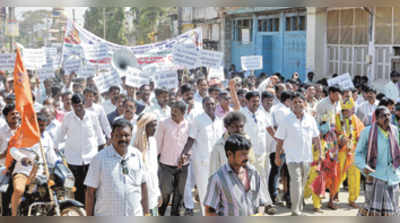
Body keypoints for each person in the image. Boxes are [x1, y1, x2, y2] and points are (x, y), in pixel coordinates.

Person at [84, 118, 149, 216]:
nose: (123, 139)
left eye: (126, 135)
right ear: (111, 136)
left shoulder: (137, 155)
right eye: (118, 135)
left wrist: (146, 214)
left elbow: (143, 186)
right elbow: (90, 192)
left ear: (131, 136)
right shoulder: (99, 158)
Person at [275, 93, 321, 216]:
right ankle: (295, 211)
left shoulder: (310, 119)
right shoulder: (287, 120)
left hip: (306, 157)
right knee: (295, 182)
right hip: (292, 158)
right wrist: (277, 156)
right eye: (295, 102)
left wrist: (320, 153)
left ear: (304, 104)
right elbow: (280, 140)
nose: (297, 104)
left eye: (300, 102)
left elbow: (316, 137)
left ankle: (299, 207)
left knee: (302, 183)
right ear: (291, 105)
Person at [55, 93, 106, 204]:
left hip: (91, 159)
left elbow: (100, 136)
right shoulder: (68, 117)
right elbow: (60, 134)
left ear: (84, 104)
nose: (78, 108)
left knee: (91, 187)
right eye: (75, 106)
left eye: (80, 105)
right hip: (73, 159)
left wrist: (102, 153)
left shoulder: (92, 116)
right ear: (72, 106)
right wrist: (55, 147)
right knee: (77, 188)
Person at [179, 97, 224, 215]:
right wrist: (184, 153)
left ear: (216, 105)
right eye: (207, 104)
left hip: (218, 162)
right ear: (203, 106)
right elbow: (191, 139)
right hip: (202, 161)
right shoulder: (198, 120)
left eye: (212, 104)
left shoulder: (219, 121)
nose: (210, 106)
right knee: (204, 190)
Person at [9, 113, 60, 216]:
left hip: (40, 173)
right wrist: (23, 158)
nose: (42, 128)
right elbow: (13, 150)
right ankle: (14, 215)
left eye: (44, 125)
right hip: (23, 171)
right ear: (34, 124)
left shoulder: (47, 138)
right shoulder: (24, 135)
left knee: (57, 190)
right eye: (40, 125)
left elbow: (52, 157)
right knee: (19, 189)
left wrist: (59, 163)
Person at [204, 134, 267, 216]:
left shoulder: (254, 173)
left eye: (247, 153)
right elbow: (209, 211)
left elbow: (261, 202)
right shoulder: (218, 178)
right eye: (242, 154)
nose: (246, 158)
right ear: (230, 154)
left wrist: (260, 214)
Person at [355, 106, 400, 216]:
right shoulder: (368, 132)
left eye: (389, 115)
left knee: (392, 210)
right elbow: (358, 153)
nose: (387, 118)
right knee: (371, 210)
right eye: (383, 116)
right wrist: (363, 166)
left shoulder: (394, 130)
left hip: (393, 177)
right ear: (377, 118)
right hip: (375, 176)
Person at [156, 101, 190, 216]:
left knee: (179, 194)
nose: (173, 113)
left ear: (183, 113)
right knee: (165, 193)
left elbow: (191, 143)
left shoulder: (189, 124)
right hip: (166, 165)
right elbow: (157, 144)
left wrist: (187, 155)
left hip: (183, 166)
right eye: (172, 111)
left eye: (176, 112)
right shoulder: (163, 124)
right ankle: (160, 213)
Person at [335, 98, 365, 208]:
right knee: (338, 174)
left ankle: (353, 199)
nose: (345, 112)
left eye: (348, 110)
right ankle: (333, 196)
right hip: (341, 151)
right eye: (344, 110)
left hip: (354, 152)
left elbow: (362, 134)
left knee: (355, 176)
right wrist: (341, 138)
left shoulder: (356, 120)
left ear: (352, 109)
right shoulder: (337, 118)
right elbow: (334, 133)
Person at [134, 113, 161, 216]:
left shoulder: (153, 141)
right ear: (144, 126)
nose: (154, 128)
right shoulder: (135, 145)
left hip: (153, 190)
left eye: (155, 125)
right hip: (139, 192)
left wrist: (158, 192)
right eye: (151, 126)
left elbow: (154, 170)